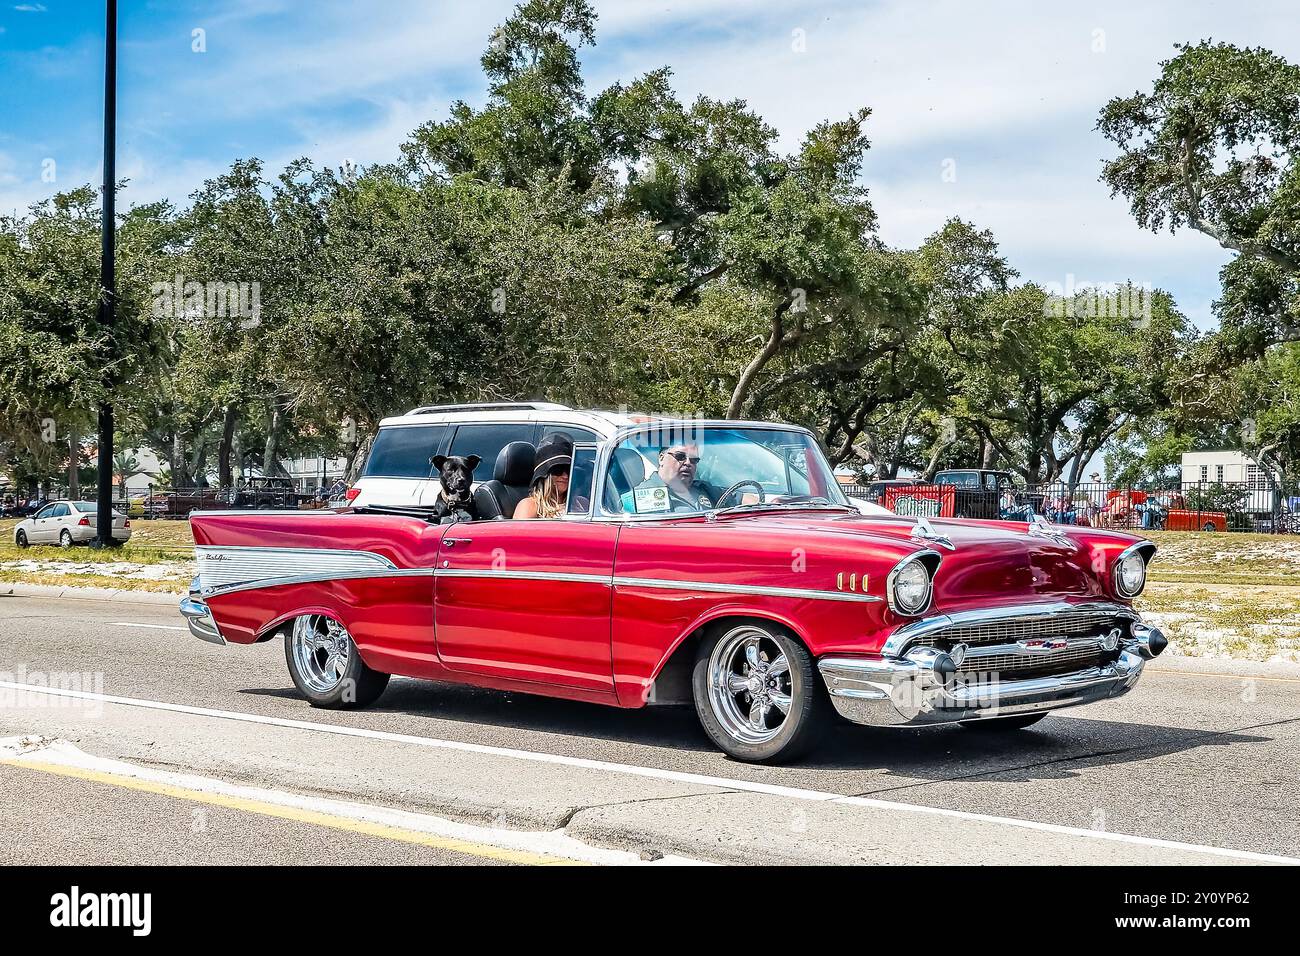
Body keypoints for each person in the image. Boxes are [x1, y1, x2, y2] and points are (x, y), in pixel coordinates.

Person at [621, 442, 719, 514]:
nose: (688, 463)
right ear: (661, 458)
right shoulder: (639, 498)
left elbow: (733, 498)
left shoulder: (706, 489)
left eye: (694, 460)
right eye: (680, 456)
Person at [514, 433, 572, 519]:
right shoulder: (530, 506)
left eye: (568, 470)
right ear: (544, 475)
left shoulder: (581, 503)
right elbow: (518, 532)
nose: (565, 476)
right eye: (558, 470)